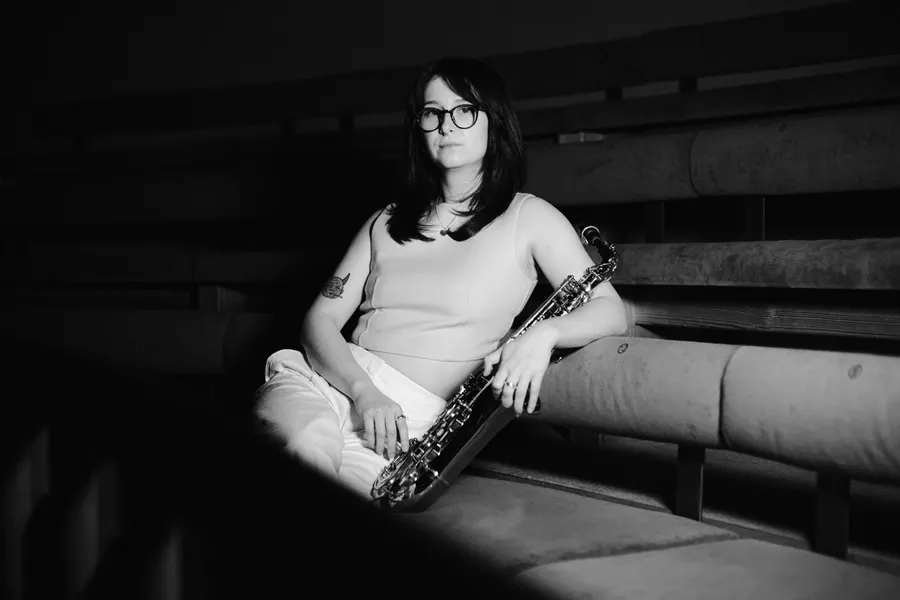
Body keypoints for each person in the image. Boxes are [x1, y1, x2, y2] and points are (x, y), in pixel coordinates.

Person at [254, 56, 628, 502]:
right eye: (432, 113)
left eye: (464, 109)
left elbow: (610, 310)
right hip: (327, 386)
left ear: (494, 122)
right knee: (303, 443)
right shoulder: (385, 221)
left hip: (407, 431)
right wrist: (363, 391)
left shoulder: (530, 217)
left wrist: (544, 335)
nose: (446, 124)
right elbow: (320, 320)